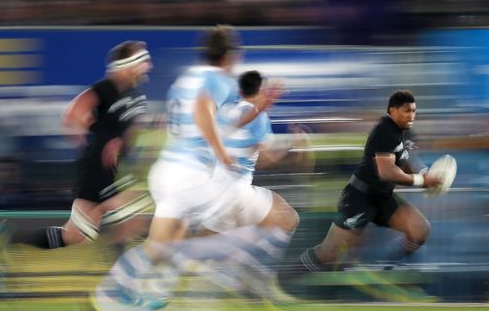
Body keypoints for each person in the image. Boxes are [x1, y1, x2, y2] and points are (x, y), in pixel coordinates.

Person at [103, 27, 293, 309]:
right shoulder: (221, 83)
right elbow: (205, 114)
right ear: (230, 55)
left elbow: (207, 121)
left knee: (163, 244)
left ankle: (123, 292)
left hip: (170, 170)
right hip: (195, 175)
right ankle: (226, 278)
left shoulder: (185, 80)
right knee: (265, 222)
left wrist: (257, 109)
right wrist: (223, 150)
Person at [0, 41, 153, 263]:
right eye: (143, 60)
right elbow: (74, 113)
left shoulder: (137, 96)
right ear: (127, 64)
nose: (148, 65)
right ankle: (126, 282)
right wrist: (101, 139)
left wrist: (122, 142)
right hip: (98, 168)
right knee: (133, 219)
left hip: (113, 170)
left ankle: (10, 238)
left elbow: (130, 130)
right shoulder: (108, 87)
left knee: (74, 235)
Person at [292, 90, 442, 288]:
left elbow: (406, 160)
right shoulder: (384, 130)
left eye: (414, 111)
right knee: (329, 253)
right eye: (406, 111)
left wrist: (424, 172)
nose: (411, 115)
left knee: (420, 230)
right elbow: (386, 172)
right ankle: (286, 279)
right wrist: (421, 181)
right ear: (392, 110)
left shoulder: (407, 133)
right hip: (359, 197)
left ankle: (389, 271)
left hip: (382, 198)